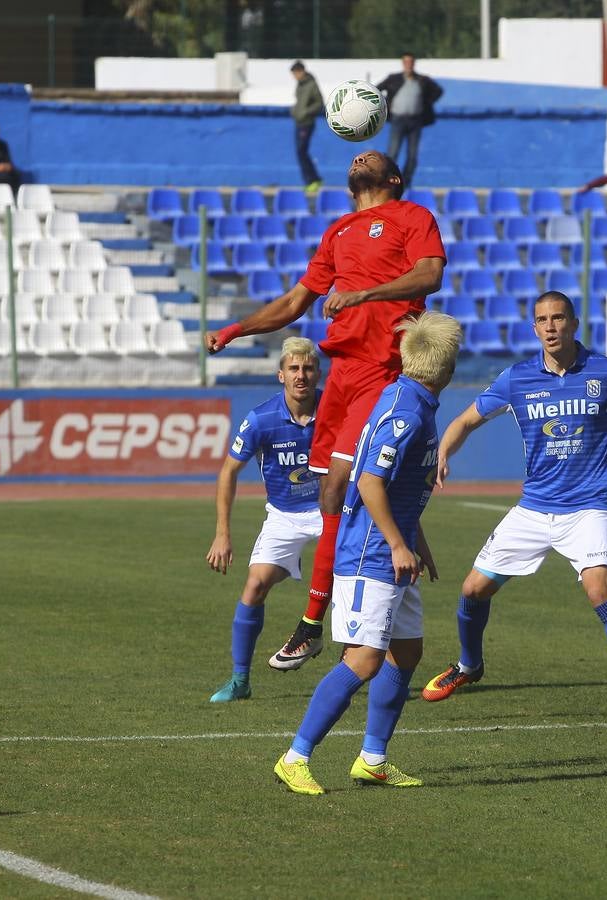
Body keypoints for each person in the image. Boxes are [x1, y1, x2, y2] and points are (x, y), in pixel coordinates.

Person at [205, 150, 446, 674]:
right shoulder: (338, 231)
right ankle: (361, 612)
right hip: (342, 375)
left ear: (393, 177)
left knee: (342, 487)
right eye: (356, 154)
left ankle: (315, 622)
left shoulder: (412, 217)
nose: (360, 155)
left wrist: (364, 294)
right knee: (332, 493)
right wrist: (235, 330)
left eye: (372, 155)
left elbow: (429, 276)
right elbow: (295, 302)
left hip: (382, 371)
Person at [420, 291, 607, 727]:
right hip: (535, 508)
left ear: (574, 323)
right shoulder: (516, 378)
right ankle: (468, 666)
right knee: (471, 591)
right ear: (534, 328)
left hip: (589, 508)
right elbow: (466, 419)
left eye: (559, 317)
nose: (551, 326)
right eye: (542, 319)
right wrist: (444, 451)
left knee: (600, 590)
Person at [273, 312, 462, 795]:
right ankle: (295, 758)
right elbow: (371, 480)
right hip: (370, 555)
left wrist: (416, 542)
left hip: (394, 550)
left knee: (407, 651)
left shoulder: (413, 400)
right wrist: (399, 543)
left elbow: (397, 488)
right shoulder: (407, 410)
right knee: (362, 660)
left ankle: (373, 760)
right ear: (447, 366)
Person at [205, 338, 324, 703]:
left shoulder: (336, 409)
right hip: (284, 514)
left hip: (331, 510)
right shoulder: (261, 418)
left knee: (355, 584)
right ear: (280, 375)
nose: (300, 376)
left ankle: (342, 653)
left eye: (307, 369)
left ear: (318, 373)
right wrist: (222, 533)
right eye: (293, 369)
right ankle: (240, 681)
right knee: (255, 586)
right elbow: (228, 472)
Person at [377, 54, 443, 189]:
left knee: (412, 155)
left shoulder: (422, 80)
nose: (408, 65)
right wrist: (385, 104)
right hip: (397, 119)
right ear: (402, 64)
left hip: (415, 120)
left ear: (414, 64)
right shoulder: (393, 79)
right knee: (393, 153)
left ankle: (405, 182)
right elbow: (376, 89)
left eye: (411, 62)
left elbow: (438, 91)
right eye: (406, 62)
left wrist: (427, 102)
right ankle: (388, 182)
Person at [290, 61, 324, 195]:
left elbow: (319, 103)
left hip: (307, 122)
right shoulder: (300, 85)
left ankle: (312, 180)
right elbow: (299, 102)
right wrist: (295, 111)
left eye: (295, 73)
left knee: (301, 151)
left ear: (301, 71)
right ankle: (312, 180)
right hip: (299, 121)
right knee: (300, 152)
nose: (294, 76)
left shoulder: (311, 84)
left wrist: (305, 112)